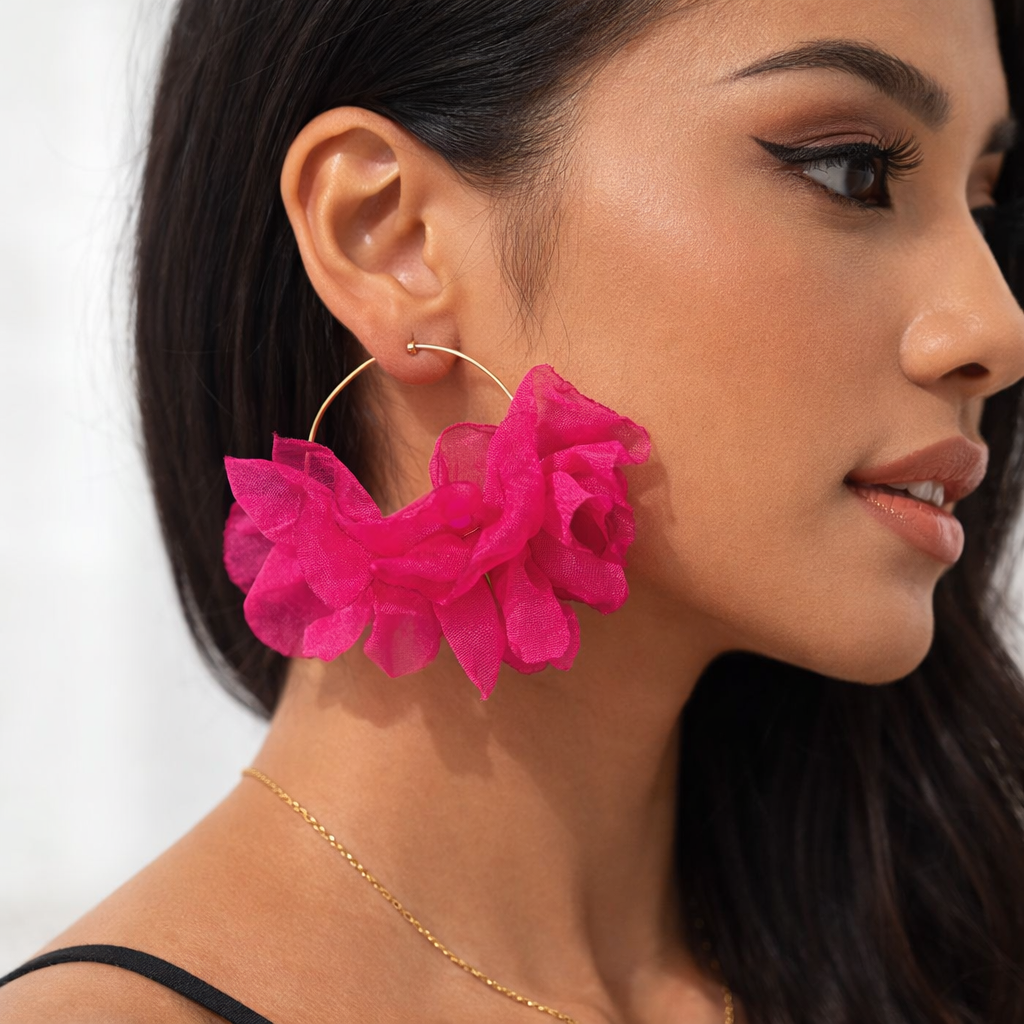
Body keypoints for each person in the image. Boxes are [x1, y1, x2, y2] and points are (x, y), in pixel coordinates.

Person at [4, 0, 1024, 1021]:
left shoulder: (939, 954)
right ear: (389, 238)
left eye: (981, 201)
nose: (995, 327)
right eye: (853, 170)